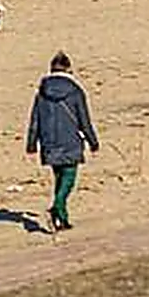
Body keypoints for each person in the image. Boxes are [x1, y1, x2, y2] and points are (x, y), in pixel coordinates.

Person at [25, 51, 99, 233]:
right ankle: (55, 208)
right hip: (70, 141)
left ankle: (62, 219)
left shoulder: (41, 92)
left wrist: (32, 144)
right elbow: (84, 120)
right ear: (68, 69)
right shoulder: (76, 91)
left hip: (49, 141)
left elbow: (35, 120)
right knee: (68, 178)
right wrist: (93, 141)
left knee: (59, 178)